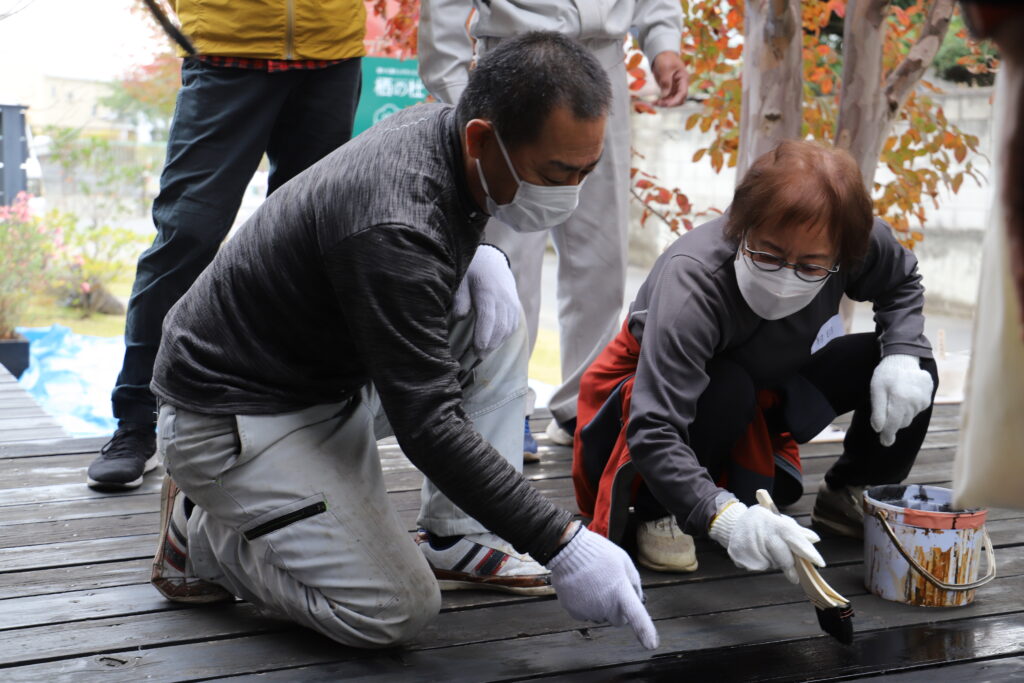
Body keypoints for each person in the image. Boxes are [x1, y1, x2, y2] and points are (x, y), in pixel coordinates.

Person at [148, 33, 658, 650]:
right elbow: (430, 426)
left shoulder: (441, 135)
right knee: (396, 611)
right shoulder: (396, 224)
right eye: (555, 173)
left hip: (321, 373)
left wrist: (481, 252)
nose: (570, 193)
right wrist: (563, 543)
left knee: (494, 316)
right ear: (480, 138)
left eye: (585, 171)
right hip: (231, 415)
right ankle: (200, 538)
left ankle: (456, 535)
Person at [572, 140, 938, 578]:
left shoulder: (853, 241)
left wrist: (901, 353)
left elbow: (901, 282)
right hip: (662, 405)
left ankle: (849, 491)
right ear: (741, 226)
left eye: (810, 266)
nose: (786, 275)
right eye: (768, 254)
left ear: (842, 254)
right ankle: (658, 506)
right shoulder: (694, 282)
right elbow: (654, 426)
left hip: (771, 385)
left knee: (912, 366)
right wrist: (722, 516)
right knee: (726, 383)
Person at [87, 0, 366, 490]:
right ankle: (137, 420)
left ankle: (293, 416)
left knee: (307, 244)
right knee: (186, 234)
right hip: (225, 49)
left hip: (331, 53)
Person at [418, 0, 688, 461]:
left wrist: (663, 42)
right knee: (506, 257)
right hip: (515, 65)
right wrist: (462, 99)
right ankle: (503, 406)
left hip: (603, 64)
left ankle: (586, 405)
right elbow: (443, 12)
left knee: (602, 257)